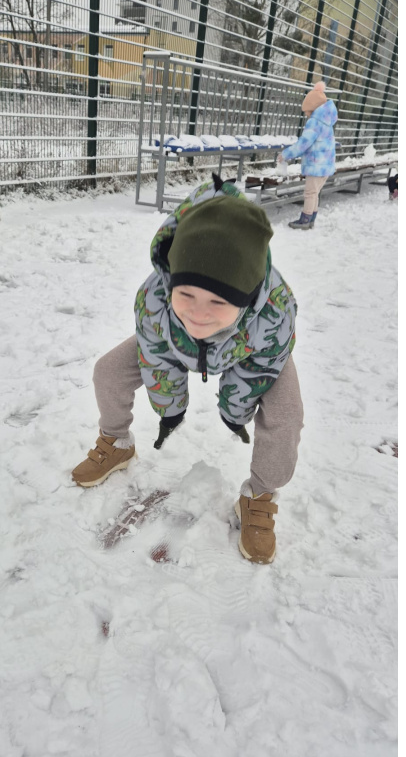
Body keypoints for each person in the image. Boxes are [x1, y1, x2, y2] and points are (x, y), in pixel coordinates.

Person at [70, 174, 303, 565]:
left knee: (286, 415)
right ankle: (117, 444)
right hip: (175, 344)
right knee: (108, 371)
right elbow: (154, 352)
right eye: (187, 294)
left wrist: (236, 411)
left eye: (217, 301)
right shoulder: (154, 298)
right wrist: (169, 406)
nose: (198, 313)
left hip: (249, 350)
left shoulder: (275, 311)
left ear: (246, 299)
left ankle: (259, 496)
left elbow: (263, 366)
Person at [276, 80, 338, 230]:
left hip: (316, 165)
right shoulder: (326, 121)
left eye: (307, 111)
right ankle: (311, 219)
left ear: (313, 107)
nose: (306, 115)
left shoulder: (315, 122)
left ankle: (305, 220)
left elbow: (303, 144)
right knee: (314, 193)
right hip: (325, 165)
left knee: (310, 193)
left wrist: (285, 154)